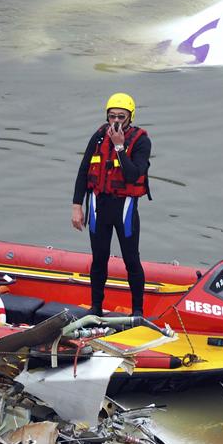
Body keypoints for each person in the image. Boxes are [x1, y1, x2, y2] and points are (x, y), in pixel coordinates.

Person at [72, 92, 151, 317]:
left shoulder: (142, 141)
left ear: (130, 117)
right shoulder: (98, 136)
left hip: (124, 206)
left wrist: (119, 147)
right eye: (112, 116)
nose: (116, 121)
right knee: (99, 258)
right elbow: (84, 169)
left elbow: (133, 174)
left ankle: (137, 311)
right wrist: (77, 205)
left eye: (121, 117)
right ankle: (96, 306)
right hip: (99, 204)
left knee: (131, 259)